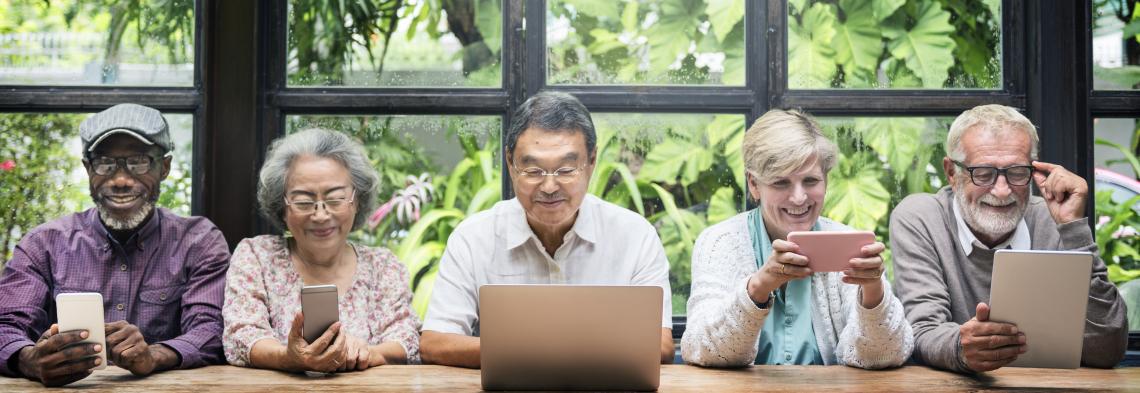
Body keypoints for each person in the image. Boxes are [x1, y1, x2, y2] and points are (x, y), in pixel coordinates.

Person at [419, 92, 674, 368]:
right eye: (534, 170)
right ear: (510, 164)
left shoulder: (634, 236)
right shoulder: (473, 237)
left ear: (591, 162)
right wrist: (546, 352)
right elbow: (435, 342)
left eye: (566, 170)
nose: (550, 187)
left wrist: (529, 350)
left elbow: (659, 344)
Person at [0, 104, 230, 386]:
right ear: (87, 169)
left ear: (165, 167)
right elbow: (5, 327)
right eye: (105, 163)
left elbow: (210, 330)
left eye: (139, 162)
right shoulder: (43, 244)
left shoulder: (199, 242)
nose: (121, 180)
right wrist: (29, 359)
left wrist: (154, 355)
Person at [890, 104, 1128, 373]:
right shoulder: (921, 218)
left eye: (1016, 172)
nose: (1002, 191)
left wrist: (1074, 228)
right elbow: (923, 331)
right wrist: (960, 347)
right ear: (952, 173)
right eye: (983, 173)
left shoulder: (1054, 221)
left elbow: (1108, 349)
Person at [680, 109, 913, 368]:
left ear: (826, 180)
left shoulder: (847, 242)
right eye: (781, 183)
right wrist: (759, 286)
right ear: (754, 185)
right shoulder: (719, 242)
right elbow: (701, 348)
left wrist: (873, 292)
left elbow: (888, 354)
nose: (799, 197)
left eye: (811, 180)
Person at [222, 128, 420, 373]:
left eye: (335, 198)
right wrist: (288, 357)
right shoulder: (257, 256)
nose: (321, 214)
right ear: (282, 207)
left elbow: (406, 339)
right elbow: (241, 334)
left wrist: (367, 352)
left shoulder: (382, 266)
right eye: (304, 201)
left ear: (357, 201)